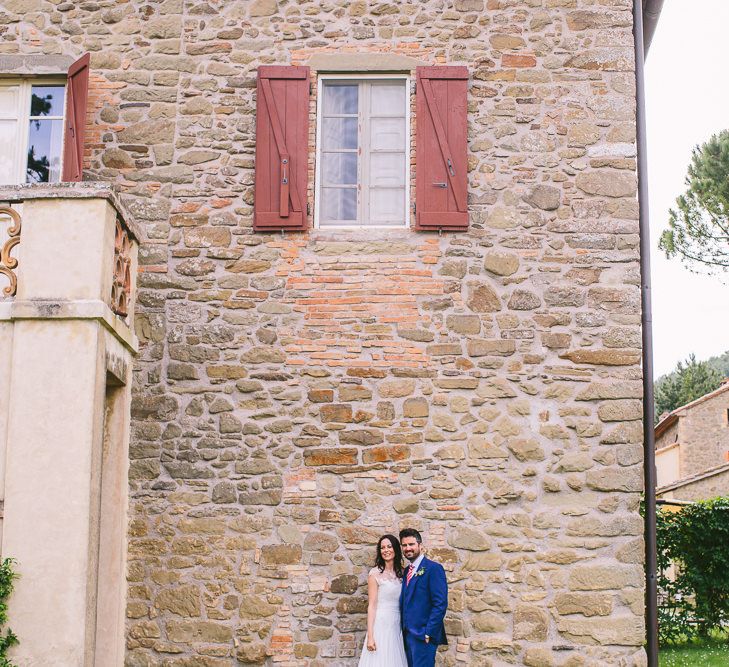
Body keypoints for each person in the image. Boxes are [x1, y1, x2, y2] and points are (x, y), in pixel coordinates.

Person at [399, 528, 448, 667]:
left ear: (420, 545)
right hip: (407, 635)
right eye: (404, 545)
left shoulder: (433, 568)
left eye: (411, 544)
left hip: (423, 636)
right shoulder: (407, 571)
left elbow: (440, 603)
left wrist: (429, 632)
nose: (408, 548)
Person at [357, 534, 408, 667]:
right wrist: (370, 636)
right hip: (381, 624)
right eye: (382, 547)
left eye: (389, 546)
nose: (386, 550)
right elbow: (372, 606)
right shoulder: (375, 574)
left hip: (397, 625)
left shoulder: (403, 573)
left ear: (396, 549)